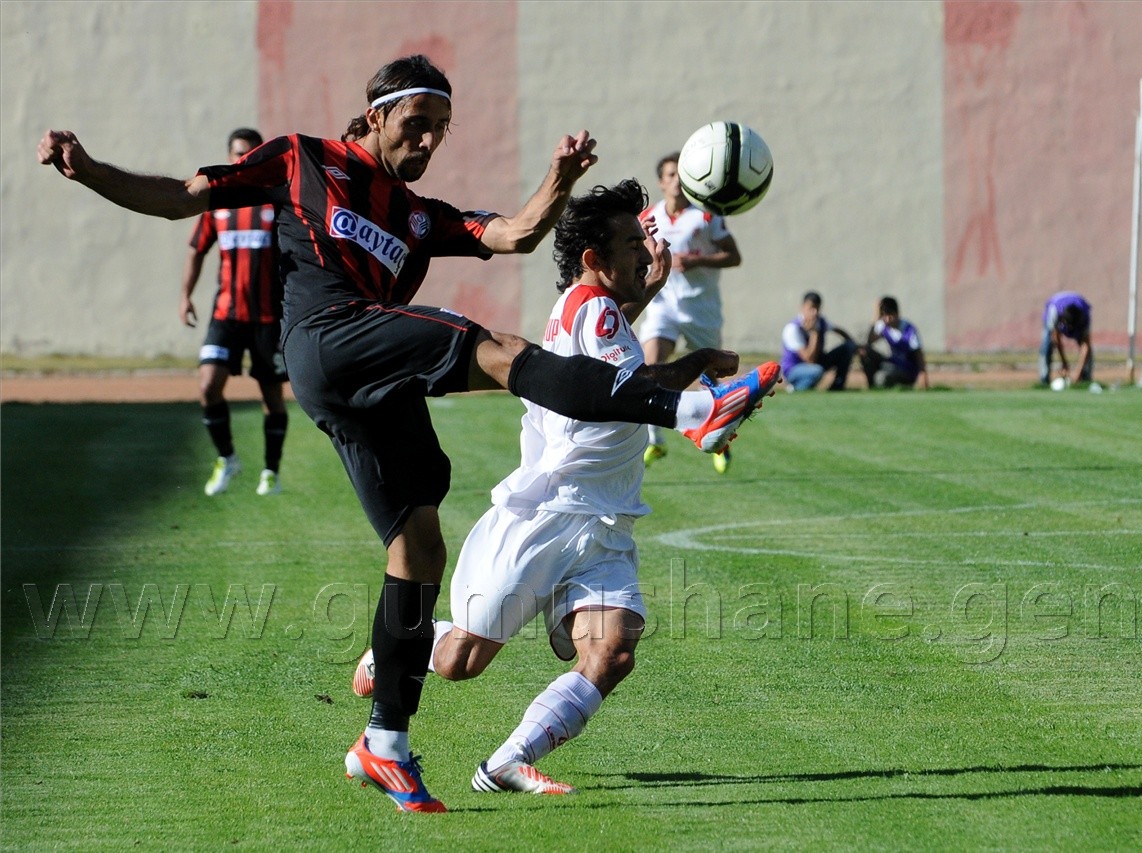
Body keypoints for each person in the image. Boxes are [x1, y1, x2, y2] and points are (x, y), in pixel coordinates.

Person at [37, 54, 779, 815]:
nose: (426, 142)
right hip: (326, 335)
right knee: (503, 351)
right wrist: (89, 168)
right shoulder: (302, 158)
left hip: (368, 385)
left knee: (420, 542)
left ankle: (383, 741)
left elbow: (517, 233)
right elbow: (180, 198)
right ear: (376, 114)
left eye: (439, 131)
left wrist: (559, 176)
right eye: (416, 124)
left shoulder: (419, 216)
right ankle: (690, 413)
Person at [351, 178, 770, 795]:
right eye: (632, 243)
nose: (646, 251)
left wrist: (650, 305)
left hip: (602, 521)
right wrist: (698, 371)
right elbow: (620, 396)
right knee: (464, 661)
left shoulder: (599, 312)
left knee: (613, 651)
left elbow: (615, 371)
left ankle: (505, 763)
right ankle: (392, 655)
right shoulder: (590, 307)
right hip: (547, 515)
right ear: (593, 260)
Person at [179, 127, 289, 497]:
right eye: (238, 154)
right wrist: (185, 295)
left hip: (268, 320)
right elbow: (197, 250)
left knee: (272, 398)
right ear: (229, 157)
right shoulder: (217, 203)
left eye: (250, 154)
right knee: (208, 386)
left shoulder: (275, 201)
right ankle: (227, 459)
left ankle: (271, 472)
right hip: (226, 314)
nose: (242, 160)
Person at [637, 152, 743, 473]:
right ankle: (655, 439)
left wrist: (696, 261)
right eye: (670, 175)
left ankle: (719, 440)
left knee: (710, 378)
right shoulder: (649, 217)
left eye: (681, 176)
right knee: (650, 364)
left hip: (700, 309)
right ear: (661, 181)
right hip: (663, 307)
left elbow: (733, 256)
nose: (676, 182)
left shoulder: (705, 217)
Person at [779, 291, 858, 391]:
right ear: (802, 308)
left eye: (817, 308)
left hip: (816, 362)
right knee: (817, 371)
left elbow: (837, 330)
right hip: (794, 369)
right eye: (811, 308)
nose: (814, 312)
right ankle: (795, 388)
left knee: (848, 347)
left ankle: (837, 386)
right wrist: (814, 332)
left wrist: (854, 345)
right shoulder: (793, 329)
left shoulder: (821, 322)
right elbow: (809, 359)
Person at [859, 296, 929, 389]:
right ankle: (872, 386)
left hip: (906, 369)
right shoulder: (883, 325)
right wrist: (875, 317)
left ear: (897, 314)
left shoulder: (908, 329)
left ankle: (899, 384)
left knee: (881, 378)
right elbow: (869, 342)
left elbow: (918, 354)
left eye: (890, 315)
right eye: (884, 316)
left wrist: (923, 375)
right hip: (892, 364)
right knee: (865, 352)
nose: (887, 319)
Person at [1039, 291, 1093, 386]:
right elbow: (1056, 339)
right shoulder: (1054, 312)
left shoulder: (1085, 315)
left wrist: (1078, 371)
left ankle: (1085, 378)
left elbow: (1086, 346)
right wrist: (1064, 362)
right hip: (1054, 306)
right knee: (1046, 346)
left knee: (1089, 352)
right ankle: (1044, 380)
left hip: (1079, 307)